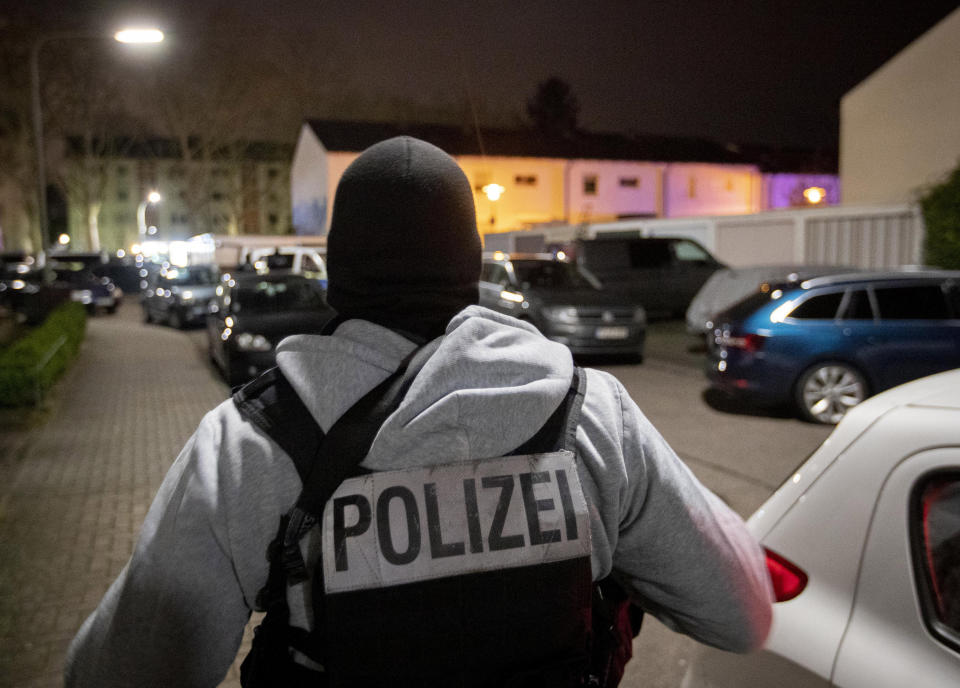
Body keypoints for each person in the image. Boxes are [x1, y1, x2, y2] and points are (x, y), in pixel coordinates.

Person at [65, 136, 772, 687]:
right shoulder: (591, 418)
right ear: (472, 265)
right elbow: (744, 609)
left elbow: (117, 673)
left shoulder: (255, 442)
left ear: (337, 275)